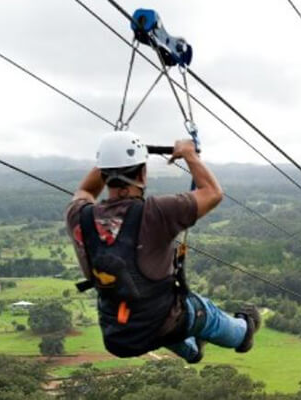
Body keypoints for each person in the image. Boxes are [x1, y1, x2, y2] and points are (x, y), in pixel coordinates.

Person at [64, 131, 259, 363]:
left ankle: (193, 351)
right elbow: (213, 193)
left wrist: (109, 159)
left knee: (155, 313)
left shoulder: (78, 216)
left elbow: (85, 191)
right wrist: (189, 154)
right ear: (143, 173)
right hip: (162, 321)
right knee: (202, 312)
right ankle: (243, 332)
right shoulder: (156, 212)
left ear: (103, 173)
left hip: (118, 334)